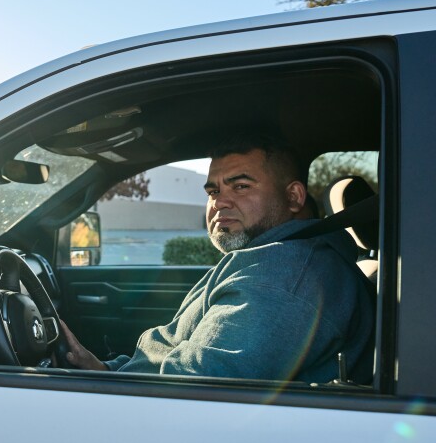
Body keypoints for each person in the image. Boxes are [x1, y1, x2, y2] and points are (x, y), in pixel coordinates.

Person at [61, 134, 373, 383]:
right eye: (213, 191)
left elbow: (194, 392)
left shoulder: (285, 276)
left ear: (293, 197)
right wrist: (106, 371)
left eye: (241, 186)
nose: (220, 202)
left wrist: (104, 386)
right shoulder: (270, 258)